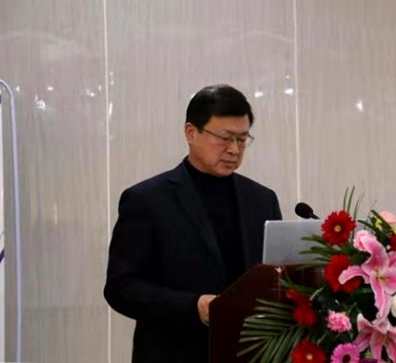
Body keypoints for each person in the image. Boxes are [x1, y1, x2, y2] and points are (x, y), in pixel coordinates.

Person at [104, 85, 282, 363]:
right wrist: (193, 307)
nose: (234, 149)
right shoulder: (146, 200)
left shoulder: (262, 199)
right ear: (191, 133)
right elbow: (121, 288)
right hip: (173, 353)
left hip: (248, 353)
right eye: (225, 138)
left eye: (242, 139)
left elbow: (275, 277)